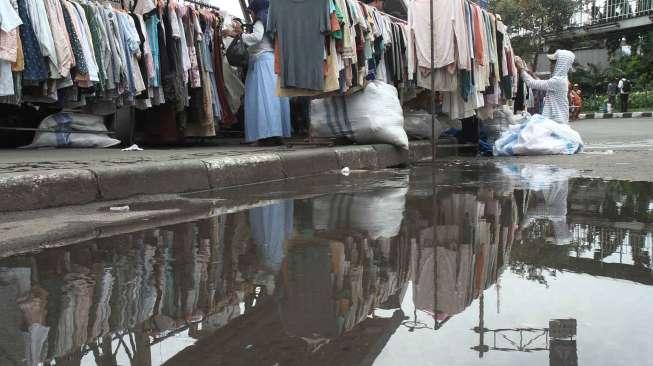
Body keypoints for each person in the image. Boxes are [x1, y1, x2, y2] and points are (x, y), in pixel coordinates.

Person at [224, 0, 291, 146]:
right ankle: (276, 134)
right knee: (273, 100)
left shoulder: (260, 22)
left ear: (257, 10)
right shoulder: (272, 21)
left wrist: (238, 36)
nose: (251, 14)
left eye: (251, 11)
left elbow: (256, 37)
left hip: (262, 64)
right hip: (269, 62)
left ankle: (266, 135)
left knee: (262, 100)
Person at [515, 50, 576, 124]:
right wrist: (527, 71)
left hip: (556, 121)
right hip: (558, 119)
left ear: (560, 64)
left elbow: (532, 83)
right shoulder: (562, 78)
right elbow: (539, 81)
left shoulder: (558, 81)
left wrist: (521, 69)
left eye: (553, 62)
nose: (550, 65)